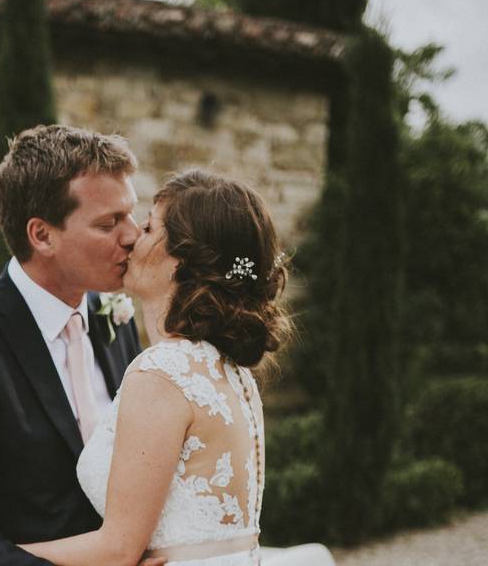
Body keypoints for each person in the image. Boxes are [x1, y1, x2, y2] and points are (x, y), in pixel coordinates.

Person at [18, 169, 296, 566]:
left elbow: (116, 550)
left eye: (148, 228)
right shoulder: (231, 373)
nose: (132, 237)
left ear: (181, 263)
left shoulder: (164, 372)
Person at [0, 125, 151, 566]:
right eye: (108, 223)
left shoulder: (116, 319)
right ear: (42, 236)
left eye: (131, 214)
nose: (133, 235)